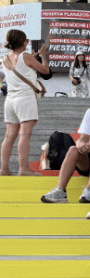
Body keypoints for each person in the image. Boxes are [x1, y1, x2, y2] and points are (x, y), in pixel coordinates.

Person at [1, 29, 50, 176]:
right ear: (22, 42)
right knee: (24, 134)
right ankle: (23, 168)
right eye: (26, 40)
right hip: (25, 99)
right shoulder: (25, 56)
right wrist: (42, 56)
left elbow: (20, 67)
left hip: (10, 100)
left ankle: (4, 169)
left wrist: (32, 57)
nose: (27, 42)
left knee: (9, 136)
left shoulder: (5, 58)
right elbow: (45, 71)